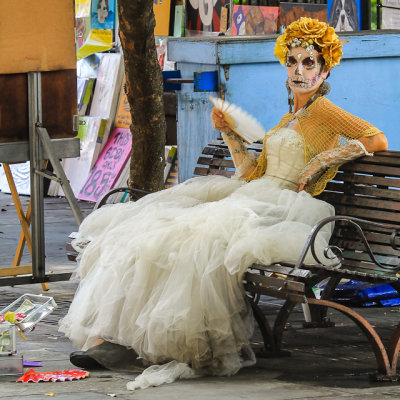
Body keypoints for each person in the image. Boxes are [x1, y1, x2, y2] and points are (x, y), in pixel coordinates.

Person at [59, 18, 388, 390]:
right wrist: (228, 132)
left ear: (325, 68)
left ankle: (178, 344)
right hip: (253, 192)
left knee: (192, 240)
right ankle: (114, 340)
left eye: (309, 62)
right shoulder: (288, 117)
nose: (299, 70)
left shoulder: (323, 111)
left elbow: (376, 138)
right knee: (147, 230)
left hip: (283, 205)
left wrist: (323, 160)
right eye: (292, 61)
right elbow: (249, 171)